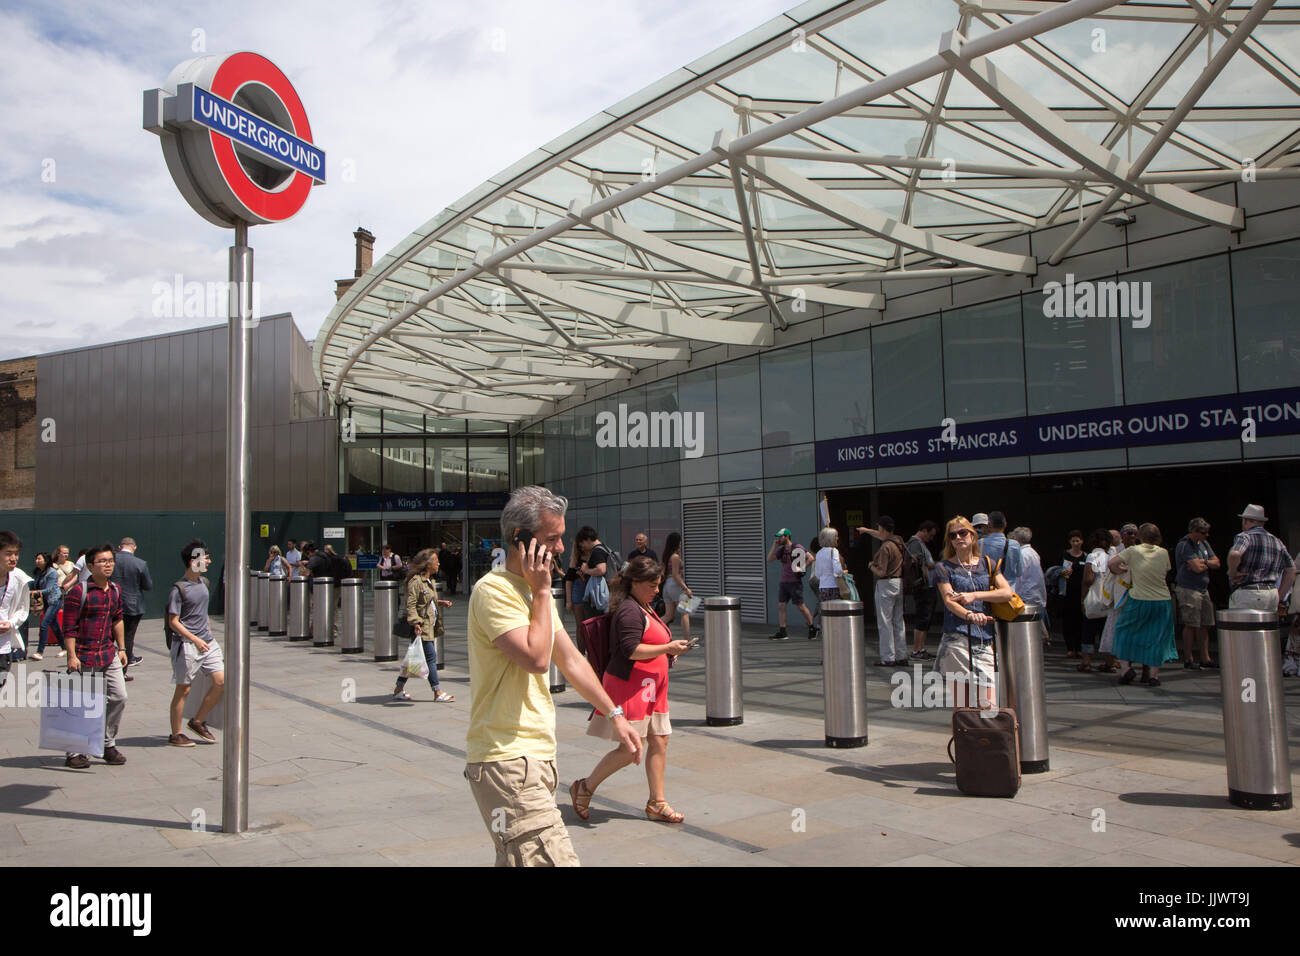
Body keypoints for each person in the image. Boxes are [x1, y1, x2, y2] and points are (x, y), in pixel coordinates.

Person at [464, 486, 642, 867]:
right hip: (508, 758)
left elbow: (573, 661)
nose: (562, 547)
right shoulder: (495, 591)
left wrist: (615, 715)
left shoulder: (529, 593)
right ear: (521, 540)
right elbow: (537, 659)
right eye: (552, 539)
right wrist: (543, 592)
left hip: (535, 758)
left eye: (562, 536)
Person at [570, 555, 692, 825]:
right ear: (635, 583)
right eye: (652, 585)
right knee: (630, 748)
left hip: (652, 687)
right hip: (631, 686)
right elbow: (631, 649)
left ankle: (656, 802)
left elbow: (650, 641)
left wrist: (668, 652)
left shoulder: (645, 606)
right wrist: (666, 649)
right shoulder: (629, 609)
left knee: (659, 740)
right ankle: (585, 787)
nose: (657, 590)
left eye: (658, 584)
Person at [933, 516, 1015, 710]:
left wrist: (974, 596)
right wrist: (969, 615)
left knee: (988, 706)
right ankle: (965, 740)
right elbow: (950, 602)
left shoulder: (987, 564)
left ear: (973, 535)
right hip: (957, 638)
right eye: (953, 535)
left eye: (963, 533)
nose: (959, 538)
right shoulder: (944, 567)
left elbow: (1007, 593)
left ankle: (988, 740)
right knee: (963, 708)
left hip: (983, 638)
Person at [61, 543, 128, 768]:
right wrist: (71, 655)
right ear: (90, 566)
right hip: (84, 655)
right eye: (102, 561)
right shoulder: (79, 592)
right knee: (81, 705)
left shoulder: (116, 590)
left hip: (108, 654)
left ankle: (107, 743)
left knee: (119, 697)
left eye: (110, 561)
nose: (108, 565)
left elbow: (117, 619)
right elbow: (69, 628)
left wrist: (122, 648)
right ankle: (74, 752)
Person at [166, 539, 225, 746]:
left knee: (220, 681)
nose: (209, 561)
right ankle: (176, 734)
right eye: (205, 557)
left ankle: (198, 721)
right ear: (194, 560)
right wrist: (195, 639)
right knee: (184, 689)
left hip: (207, 642)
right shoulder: (178, 589)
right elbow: (173, 621)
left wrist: (207, 632)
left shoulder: (204, 583)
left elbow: (202, 613)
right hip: (187, 645)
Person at [1110, 524, 1177, 687]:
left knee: (1123, 631)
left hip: (1139, 598)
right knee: (1157, 636)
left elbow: (1112, 563)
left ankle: (1126, 669)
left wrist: (1122, 571)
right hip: (1162, 600)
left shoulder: (1134, 551)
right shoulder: (1163, 552)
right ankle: (1153, 676)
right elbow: (1165, 571)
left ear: (1140, 536)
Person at [392, 548, 454, 702]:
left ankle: (398, 688)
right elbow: (411, 604)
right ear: (427, 565)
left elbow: (427, 601)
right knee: (431, 658)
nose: (438, 563)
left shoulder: (430, 581)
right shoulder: (416, 582)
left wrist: (440, 602)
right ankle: (437, 692)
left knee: (412, 658)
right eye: (436, 561)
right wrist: (415, 622)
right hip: (421, 626)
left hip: (429, 625)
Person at [1226, 504, 1295, 614]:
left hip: (1249, 593)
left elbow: (1234, 554)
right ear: (1262, 523)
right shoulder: (1277, 541)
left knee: (1245, 630)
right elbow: (1291, 570)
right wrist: (1280, 596)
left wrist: (1232, 572)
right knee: (1267, 630)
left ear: (1245, 520)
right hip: (1271, 594)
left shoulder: (1245, 536)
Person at [1174, 517, 1220, 670]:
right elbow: (1196, 568)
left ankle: (1205, 657)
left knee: (1205, 623)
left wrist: (1204, 562)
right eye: (1203, 532)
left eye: (1207, 532)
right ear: (1193, 531)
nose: (1206, 535)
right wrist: (1205, 563)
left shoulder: (1204, 543)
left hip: (1203, 588)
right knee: (1191, 623)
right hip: (1189, 588)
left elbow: (1217, 563)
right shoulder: (1185, 545)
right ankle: (1188, 658)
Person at [862, 517, 907, 667]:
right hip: (899, 582)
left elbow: (881, 572)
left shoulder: (885, 547)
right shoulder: (898, 541)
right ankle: (901, 655)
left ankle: (888, 657)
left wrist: (870, 566)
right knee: (898, 621)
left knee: (885, 622)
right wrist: (867, 531)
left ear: (882, 528)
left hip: (886, 584)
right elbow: (881, 535)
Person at [110, 537, 153, 679]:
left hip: (112, 603)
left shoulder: (111, 562)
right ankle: (122, 673)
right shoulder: (140, 563)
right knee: (128, 638)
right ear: (134, 547)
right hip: (133, 606)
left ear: (119, 546)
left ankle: (105, 670)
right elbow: (148, 586)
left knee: (107, 637)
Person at [768, 529, 816, 641]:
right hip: (784, 582)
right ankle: (783, 631)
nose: (778, 539)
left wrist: (802, 567)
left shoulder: (797, 547)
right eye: (778, 537)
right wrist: (774, 546)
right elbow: (769, 559)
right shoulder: (781, 550)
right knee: (781, 606)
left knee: (800, 606)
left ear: (787, 537)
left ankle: (812, 628)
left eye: (780, 537)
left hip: (794, 582)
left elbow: (811, 558)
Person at [1079, 529, 1114, 672]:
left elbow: (1088, 579)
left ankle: (1086, 662)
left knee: (1089, 629)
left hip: (1094, 598)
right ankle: (1109, 662)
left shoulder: (1092, 557)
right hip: (1108, 598)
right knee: (1106, 630)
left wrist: (1082, 599)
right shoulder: (1111, 557)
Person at [903, 521, 938, 661]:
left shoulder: (917, 544)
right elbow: (918, 562)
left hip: (926, 586)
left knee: (926, 617)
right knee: (923, 616)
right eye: (930, 535)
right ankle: (917, 649)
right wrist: (931, 565)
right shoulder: (915, 544)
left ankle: (921, 648)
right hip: (923, 586)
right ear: (923, 530)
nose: (931, 538)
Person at [0, 532, 32, 685]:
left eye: (16, 553)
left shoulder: (19, 578)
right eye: (8, 554)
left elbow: (22, 607)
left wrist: (11, 623)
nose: (13, 558)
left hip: (4, 647)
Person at [660, 532, 694, 642]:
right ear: (677, 542)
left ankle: (650, 631)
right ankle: (687, 640)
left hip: (667, 586)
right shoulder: (675, 557)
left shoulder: (667, 556)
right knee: (685, 613)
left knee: (668, 615)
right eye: (680, 541)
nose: (681, 543)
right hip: (675, 586)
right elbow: (676, 575)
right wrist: (686, 588)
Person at [1059, 530, 1088, 659]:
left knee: (1080, 620)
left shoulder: (1086, 556)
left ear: (1082, 541)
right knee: (1068, 620)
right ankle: (1070, 648)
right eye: (1073, 541)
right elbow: (1055, 570)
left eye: (1078, 540)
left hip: (1081, 591)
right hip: (1067, 590)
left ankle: (1079, 647)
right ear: (1070, 542)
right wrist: (1062, 572)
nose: (1076, 543)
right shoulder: (1065, 554)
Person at [981, 511, 1022, 587]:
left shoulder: (980, 544)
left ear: (989, 525)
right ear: (1005, 524)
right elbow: (1019, 572)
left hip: (988, 593)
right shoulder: (1015, 545)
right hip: (1009, 593)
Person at [813, 527, 844, 611]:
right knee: (835, 613)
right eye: (835, 536)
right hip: (833, 586)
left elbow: (817, 574)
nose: (837, 538)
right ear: (830, 538)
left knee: (825, 613)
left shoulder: (819, 553)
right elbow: (837, 570)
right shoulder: (834, 551)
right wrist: (843, 572)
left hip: (822, 587)